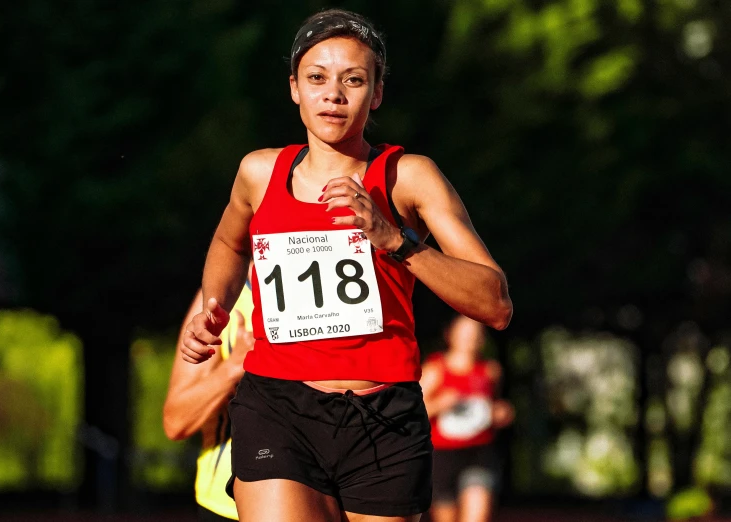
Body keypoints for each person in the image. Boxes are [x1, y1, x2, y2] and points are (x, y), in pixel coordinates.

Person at [181, 8, 513, 522]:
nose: (333, 94)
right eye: (316, 78)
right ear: (294, 88)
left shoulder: (409, 177)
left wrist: (395, 240)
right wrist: (214, 305)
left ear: (376, 93)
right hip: (277, 406)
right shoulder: (257, 172)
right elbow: (229, 244)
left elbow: (494, 302)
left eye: (353, 80)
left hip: (384, 418)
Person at [163, 275, 254, 522]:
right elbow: (176, 421)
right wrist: (235, 366)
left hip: (323, 495)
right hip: (226, 504)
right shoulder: (222, 297)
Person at [420, 316, 515, 522]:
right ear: (450, 336)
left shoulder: (491, 371)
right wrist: (439, 404)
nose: (470, 339)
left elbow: (494, 408)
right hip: (441, 456)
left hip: (479, 453)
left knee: (478, 515)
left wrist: (500, 413)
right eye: (465, 333)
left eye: (476, 334)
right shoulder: (435, 369)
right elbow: (412, 413)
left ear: (483, 339)